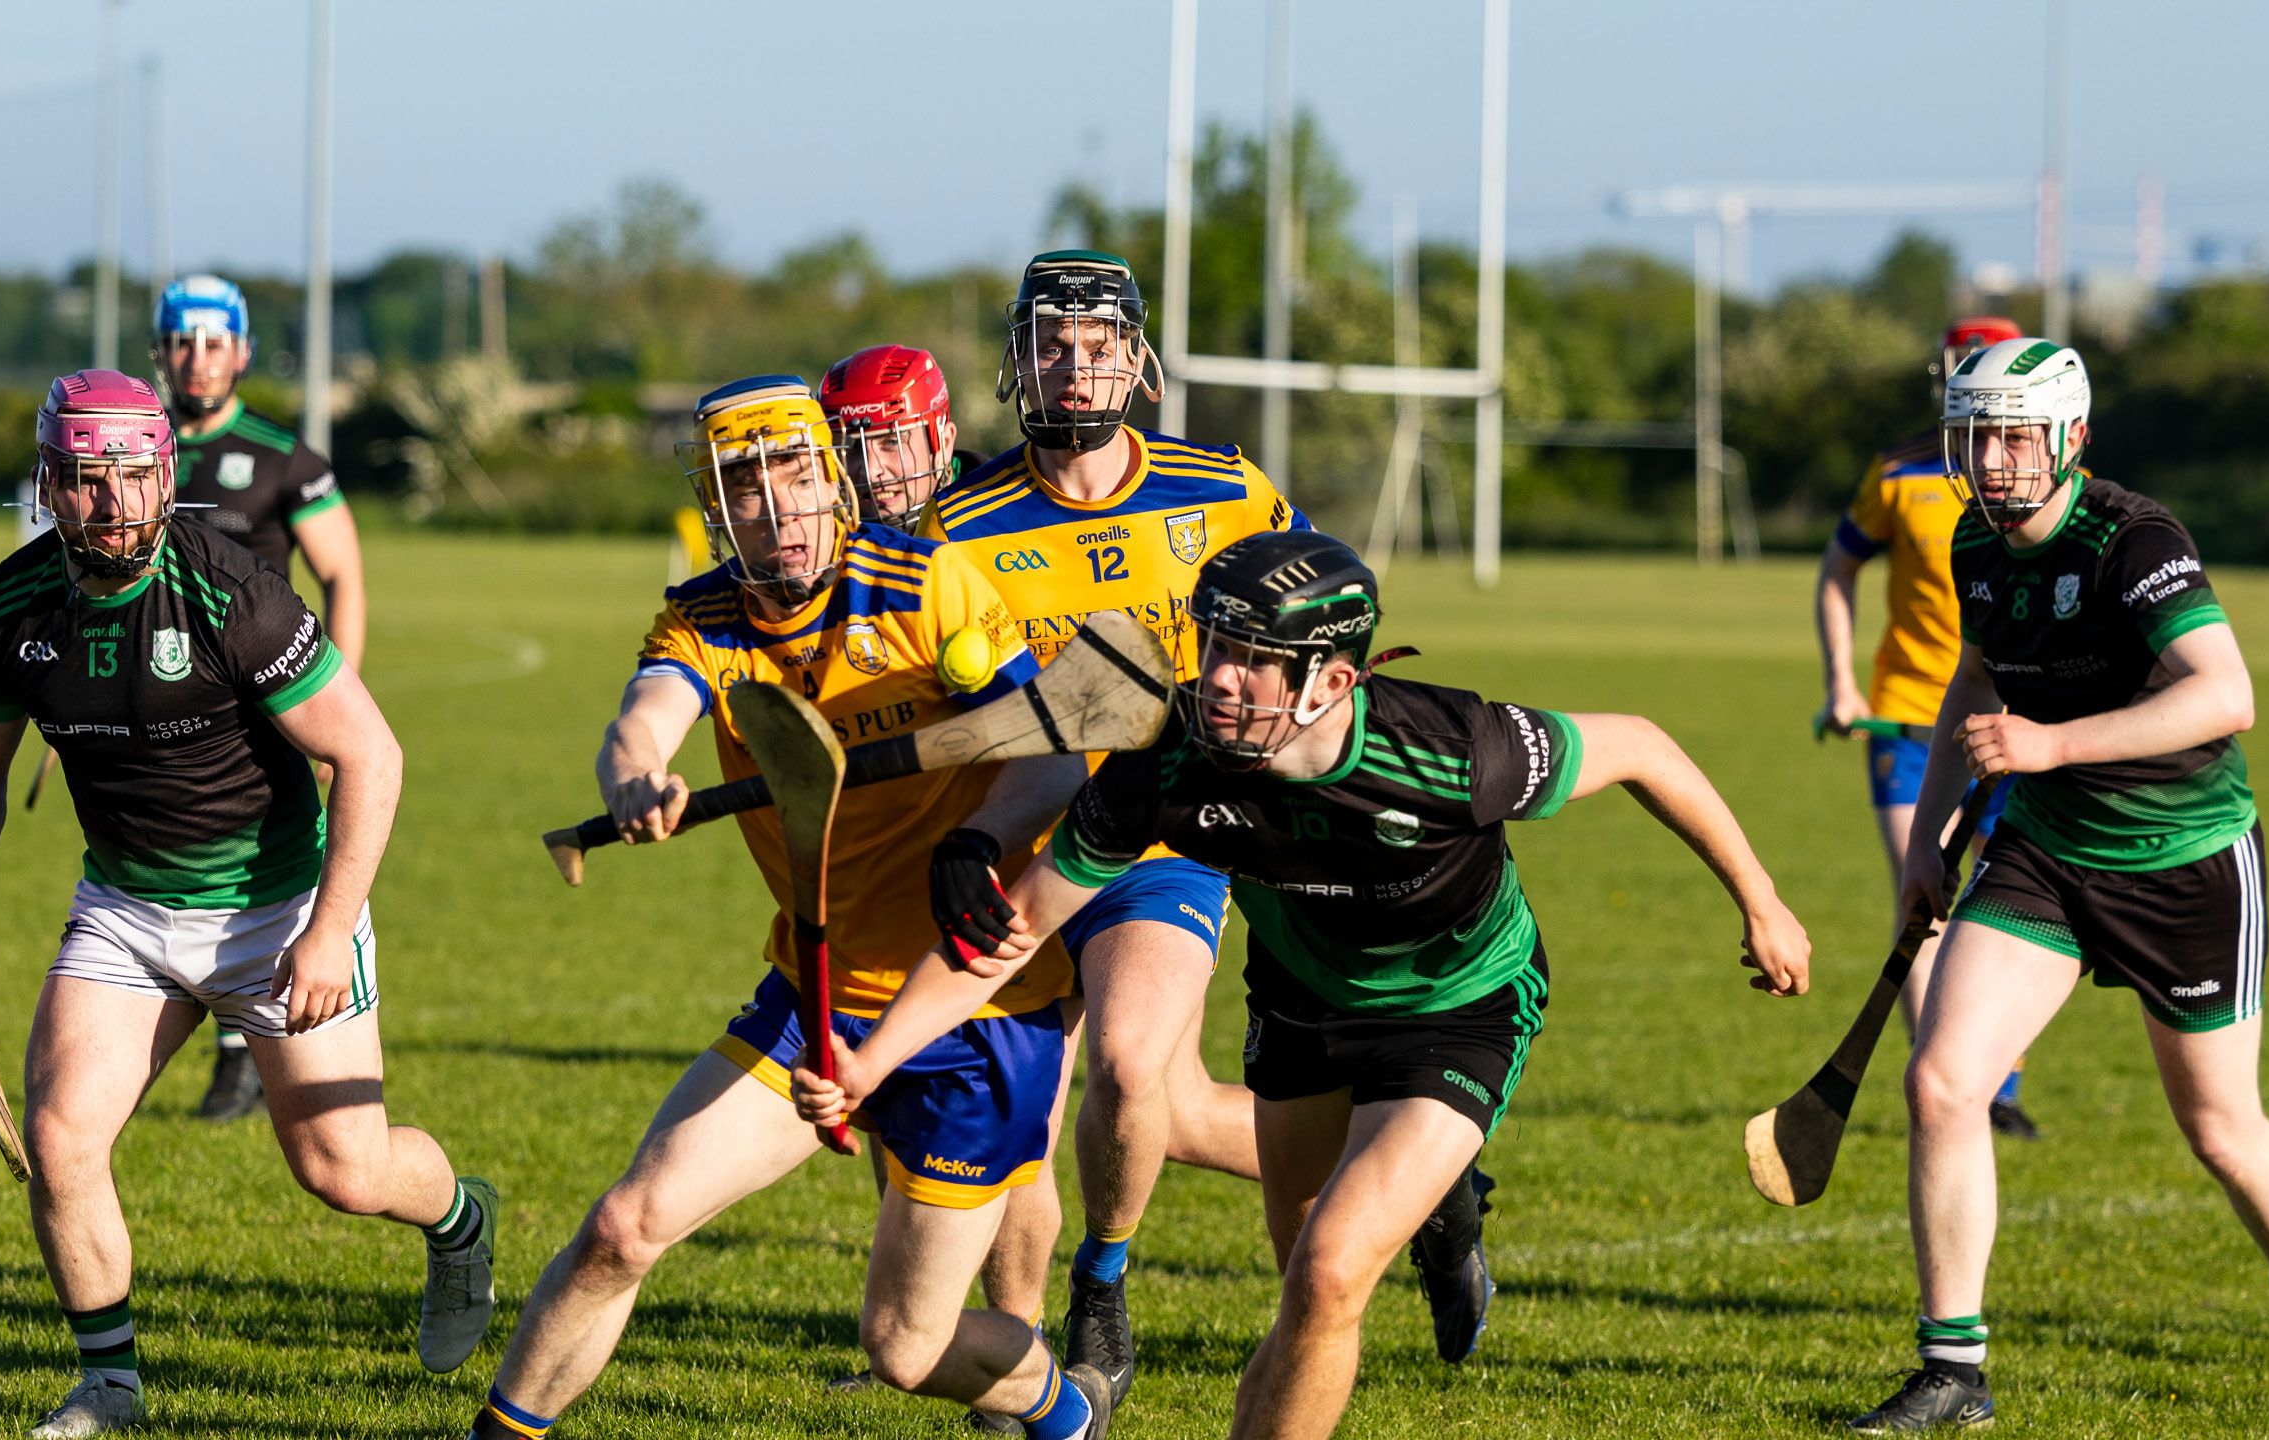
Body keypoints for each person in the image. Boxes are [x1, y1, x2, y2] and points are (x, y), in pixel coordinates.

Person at [795, 530, 1812, 1440]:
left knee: (1330, 1274)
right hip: (1298, 1010)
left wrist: (1760, 902)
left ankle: (1432, 1189)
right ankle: (1437, 1198)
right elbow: (1014, 931)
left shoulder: (1453, 748)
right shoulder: (1170, 766)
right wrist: (870, 1058)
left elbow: (1641, 745)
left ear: (1330, 680)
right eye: (1215, 647)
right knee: (1302, 1281)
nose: (1220, 680)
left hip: (1456, 1011)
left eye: (1253, 660)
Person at [915, 250, 1514, 1409]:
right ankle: (1425, 1186)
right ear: (1017, 356)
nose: (1072, 365)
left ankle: (1102, 1290)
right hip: (1030, 834)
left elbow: (1316, 621)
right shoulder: (957, 524)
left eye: (1096, 344)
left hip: (1169, 827)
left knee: (1130, 1070)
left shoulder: (1223, 486)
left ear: (1135, 359)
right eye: (1050, 342)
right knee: (1091, 1110)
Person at [466, 376, 1113, 1440]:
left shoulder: (924, 586)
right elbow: (642, 721)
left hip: (976, 1013)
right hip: (818, 1001)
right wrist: (636, 779)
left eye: (795, 474)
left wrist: (974, 840)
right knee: (625, 1227)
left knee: (906, 1349)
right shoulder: (704, 618)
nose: (778, 505)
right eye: (746, 484)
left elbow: (1051, 756)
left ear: (832, 481)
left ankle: (1058, 1408)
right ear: (717, 506)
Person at [0, 370, 495, 1439]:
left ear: (167, 476)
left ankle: (461, 1223)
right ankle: (112, 1386)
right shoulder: (13, 607)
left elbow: (370, 754)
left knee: (343, 1171)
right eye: (89, 481)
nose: (116, 502)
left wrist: (329, 932)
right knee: (60, 1140)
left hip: (276, 910)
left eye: (136, 476)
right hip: (128, 912)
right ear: (49, 486)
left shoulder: (231, 592)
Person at [1847, 337, 2269, 1430]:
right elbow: (1974, 677)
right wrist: (1925, 844)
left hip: (2180, 858)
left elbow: (2223, 694)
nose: (1993, 462)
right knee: (1942, 1082)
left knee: (2221, 1131)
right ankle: (1953, 1373)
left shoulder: (2133, 540)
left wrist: (2052, 748)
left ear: (2070, 438)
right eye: (1975, 437)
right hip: (2045, 854)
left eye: (2013, 436)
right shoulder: (1973, 536)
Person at [152, 274, 371, 1123]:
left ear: (242, 351)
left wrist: (335, 701)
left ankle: (242, 1055)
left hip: (266, 704)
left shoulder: (284, 459)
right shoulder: (135, 449)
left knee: (257, 872)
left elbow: (343, 575)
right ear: (161, 350)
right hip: (160, 702)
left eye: (215, 342)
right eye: (181, 341)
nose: (197, 359)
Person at [1815, 315, 2036, 1139]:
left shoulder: (2042, 473)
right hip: (1910, 715)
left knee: (2010, 904)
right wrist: (1840, 678)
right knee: (1924, 899)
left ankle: (1996, 1085)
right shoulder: (1901, 471)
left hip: (2020, 723)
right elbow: (1838, 568)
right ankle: (1941, 1080)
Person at [818, 343, 984, 530]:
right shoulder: (824, 543)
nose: (871, 471)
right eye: (853, 446)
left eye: (892, 441)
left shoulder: (1000, 523)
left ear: (943, 444)